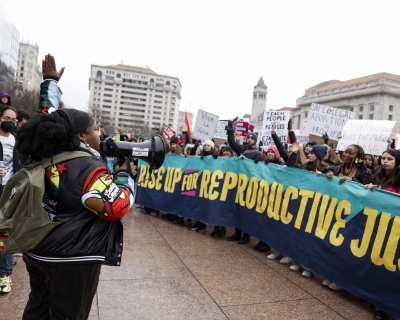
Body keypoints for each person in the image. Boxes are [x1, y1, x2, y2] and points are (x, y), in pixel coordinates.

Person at [16, 54, 135, 320]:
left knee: (37, 308)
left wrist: (49, 83)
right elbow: (116, 207)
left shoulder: (40, 152)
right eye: (95, 128)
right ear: (80, 135)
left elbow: (47, 118)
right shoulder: (88, 169)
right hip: (71, 260)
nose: (99, 133)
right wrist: (125, 176)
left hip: (36, 249)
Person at [226, 125, 264, 245]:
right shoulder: (241, 149)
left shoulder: (258, 154)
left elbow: (260, 171)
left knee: (247, 212)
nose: (249, 140)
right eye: (248, 138)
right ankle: (237, 233)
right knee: (238, 209)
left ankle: (246, 236)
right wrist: (231, 129)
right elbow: (231, 142)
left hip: (250, 186)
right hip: (239, 184)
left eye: (252, 139)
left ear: (255, 141)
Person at [0, 104, 22, 294]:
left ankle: (5, 274)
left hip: (9, 191)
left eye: (13, 120)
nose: (11, 123)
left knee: (5, 233)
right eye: (7, 119)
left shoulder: (16, 140)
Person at [190, 140, 217, 232]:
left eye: (208, 145)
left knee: (205, 204)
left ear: (212, 147)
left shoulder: (215, 158)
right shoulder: (200, 156)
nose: (206, 147)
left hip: (209, 183)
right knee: (198, 203)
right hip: (200, 181)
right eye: (205, 145)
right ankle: (198, 222)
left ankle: (203, 224)